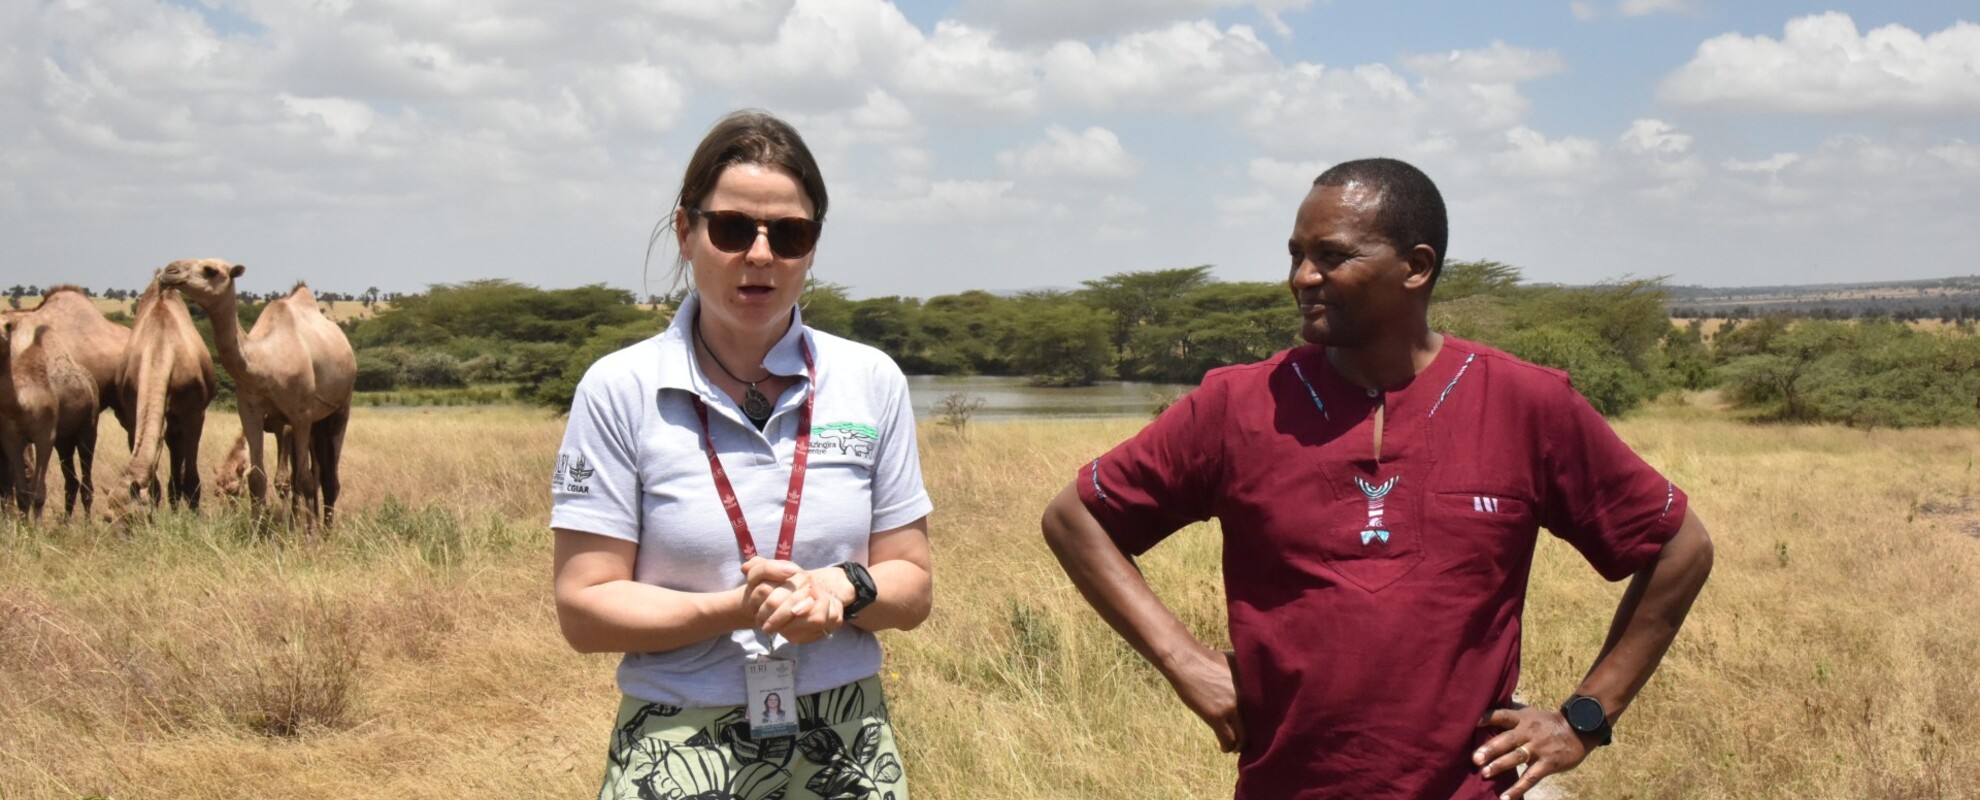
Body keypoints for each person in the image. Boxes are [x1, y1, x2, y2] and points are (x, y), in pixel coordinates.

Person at [1039, 158, 1714, 799]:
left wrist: (1584, 719)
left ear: (1415, 268)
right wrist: (1183, 662)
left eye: (1331, 256)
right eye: (1295, 255)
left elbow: (1678, 547)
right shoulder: (1239, 406)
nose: (1301, 277)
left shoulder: (1524, 404)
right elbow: (1076, 517)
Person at [551, 110, 933, 800]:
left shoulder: (869, 379)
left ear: (812, 246)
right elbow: (584, 610)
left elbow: (911, 584)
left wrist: (841, 593)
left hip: (846, 735)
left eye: (789, 234)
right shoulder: (619, 389)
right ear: (685, 231)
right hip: (676, 736)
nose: (760, 255)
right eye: (732, 229)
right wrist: (735, 609)